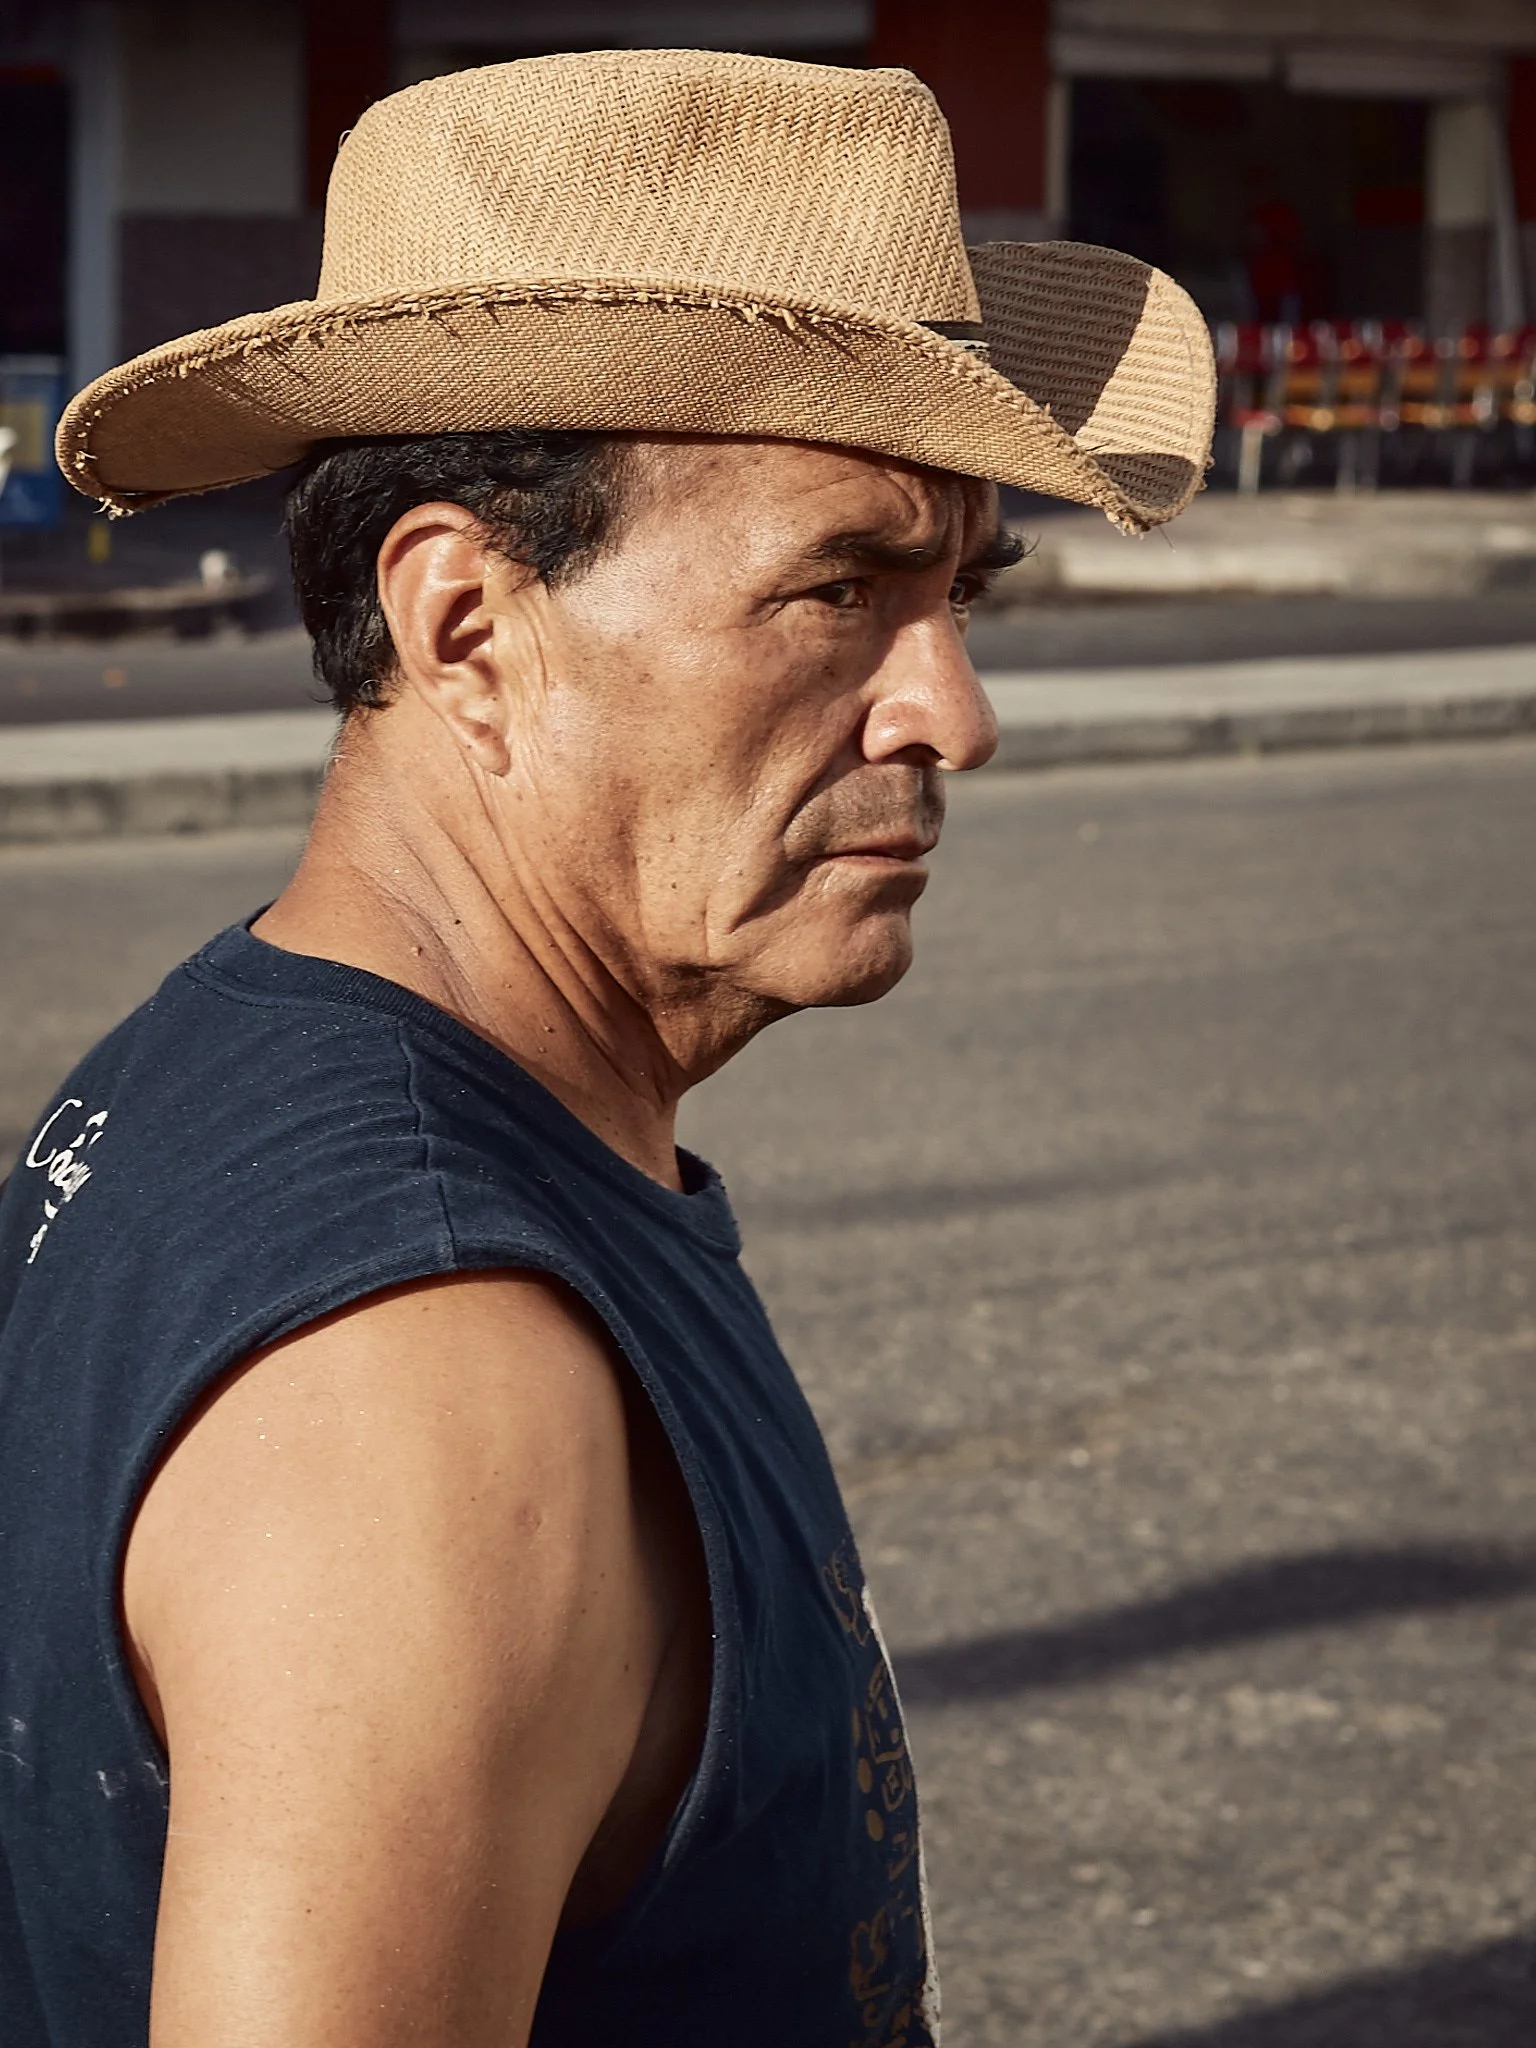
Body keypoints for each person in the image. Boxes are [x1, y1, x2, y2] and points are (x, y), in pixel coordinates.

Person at [0, 49, 1213, 2048]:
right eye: (842, 587)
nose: (955, 714)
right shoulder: (435, 1387)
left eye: (962, 592)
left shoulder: (217, 1067)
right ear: (467, 628)